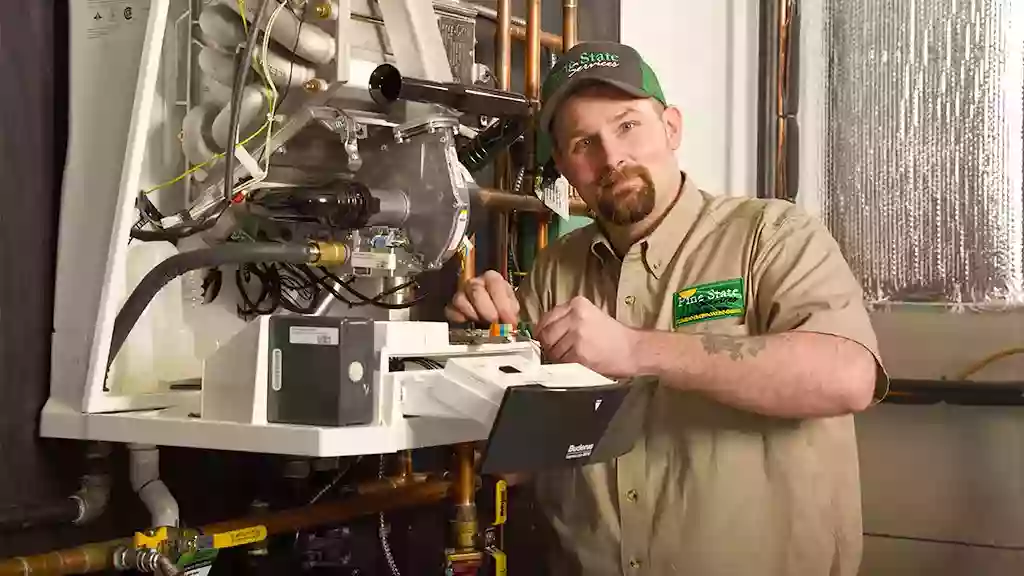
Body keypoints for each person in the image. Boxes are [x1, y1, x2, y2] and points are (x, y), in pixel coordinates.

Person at [446, 41, 889, 576]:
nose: (612, 159)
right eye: (585, 142)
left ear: (672, 128)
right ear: (564, 166)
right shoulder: (554, 270)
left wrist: (637, 350)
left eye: (628, 125)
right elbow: (518, 463)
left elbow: (847, 377)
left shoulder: (771, 234)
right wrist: (477, 353)